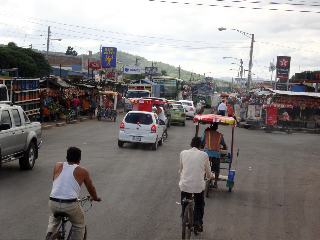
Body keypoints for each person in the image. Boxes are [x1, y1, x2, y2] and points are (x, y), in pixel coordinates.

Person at [46, 147, 101, 240]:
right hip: (70, 204)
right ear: (79, 159)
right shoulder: (83, 171)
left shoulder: (57, 165)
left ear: (66, 157)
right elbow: (91, 188)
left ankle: (49, 235)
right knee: (79, 224)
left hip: (53, 201)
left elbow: (55, 182)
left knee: (54, 218)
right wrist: (95, 197)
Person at [179, 137, 214, 233]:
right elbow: (208, 172)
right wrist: (210, 177)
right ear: (200, 146)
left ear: (190, 144)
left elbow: (181, 169)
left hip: (185, 184)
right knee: (199, 203)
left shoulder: (183, 153)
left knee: (184, 197)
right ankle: (198, 221)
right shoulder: (204, 155)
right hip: (198, 186)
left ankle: (184, 213)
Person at [201, 122, 227, 189]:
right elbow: (224, 145)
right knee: (216, 170)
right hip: (216, 155)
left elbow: (202, 141)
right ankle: (215, 182)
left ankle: (202, 179)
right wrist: (224, 149)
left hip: (206, 154)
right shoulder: (220, 135)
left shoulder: (206, 133)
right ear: (217, 127)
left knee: (204, 167)